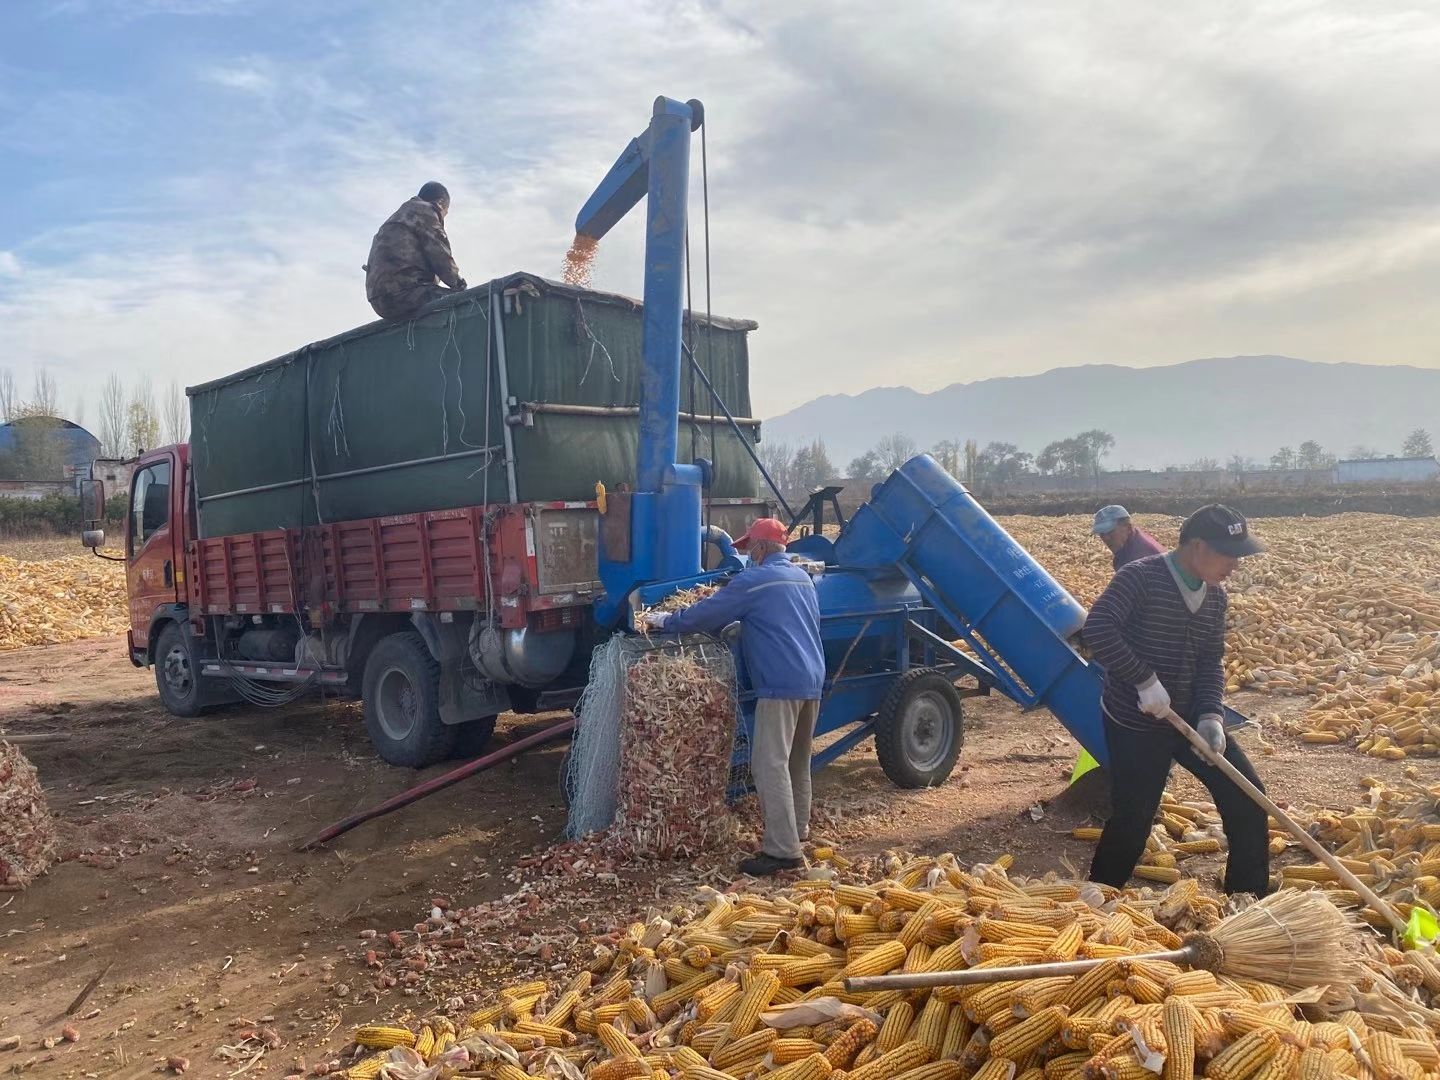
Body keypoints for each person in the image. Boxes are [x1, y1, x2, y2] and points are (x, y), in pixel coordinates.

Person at [1083, 504, 1269, 895]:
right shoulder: (1140, 578)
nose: (1234, 565)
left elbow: (1209, 660)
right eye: (1228, 554)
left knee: (1249, 798)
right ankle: (1094, 902)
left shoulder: (1215, 599)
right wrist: (1143, 680)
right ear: (1197, 546)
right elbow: (1098, 629)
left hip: (1187, 717)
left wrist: (1211, 716)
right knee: (1134, 819)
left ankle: (1247, 898)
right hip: (1135, 722)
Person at [644, 518, 825, 877]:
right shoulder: (802, 578)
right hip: (812, 677)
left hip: (780, 682)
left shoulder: (753, 580)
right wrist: (749, 626)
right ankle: (799, 831)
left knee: (768, 764)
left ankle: (782, 851)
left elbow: (704, 615)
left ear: (760, 548)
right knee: (797, 759)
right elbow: (787, 620)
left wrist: (665, 619)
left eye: (749, 549)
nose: (746, 555)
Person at [364, 182, 467, 321]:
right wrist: (460, 287)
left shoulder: (396, 218)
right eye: (445, 213)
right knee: (463, 303)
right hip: (405, 292)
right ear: (441, 202)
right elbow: (441, 257)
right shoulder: (425, 211)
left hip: (378, 300)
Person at [1092, 505, 1164, 572]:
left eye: (1110, 532)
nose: (1106, 538)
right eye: (1101, 533)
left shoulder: (1138, 559)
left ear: (1128, 528)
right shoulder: (1133, 541)